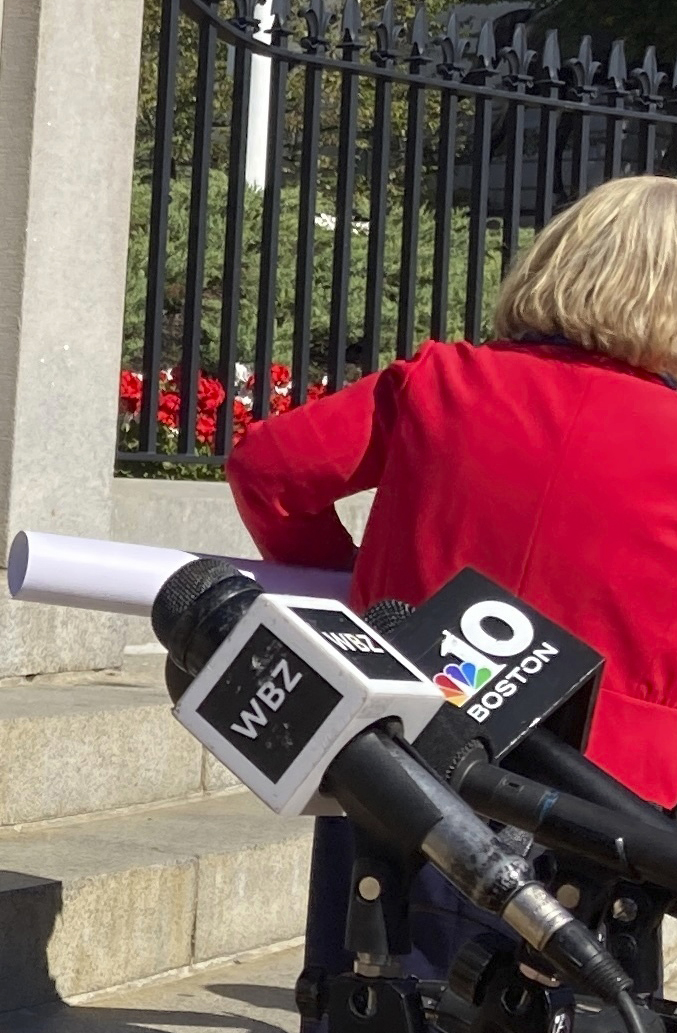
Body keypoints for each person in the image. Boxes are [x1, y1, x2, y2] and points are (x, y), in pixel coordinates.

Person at [225, 174, 677, 1014]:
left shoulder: (441, 381)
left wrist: (351, 584)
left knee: (371, 993)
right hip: (600, 791)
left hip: (409, 741)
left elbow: (270, 468)